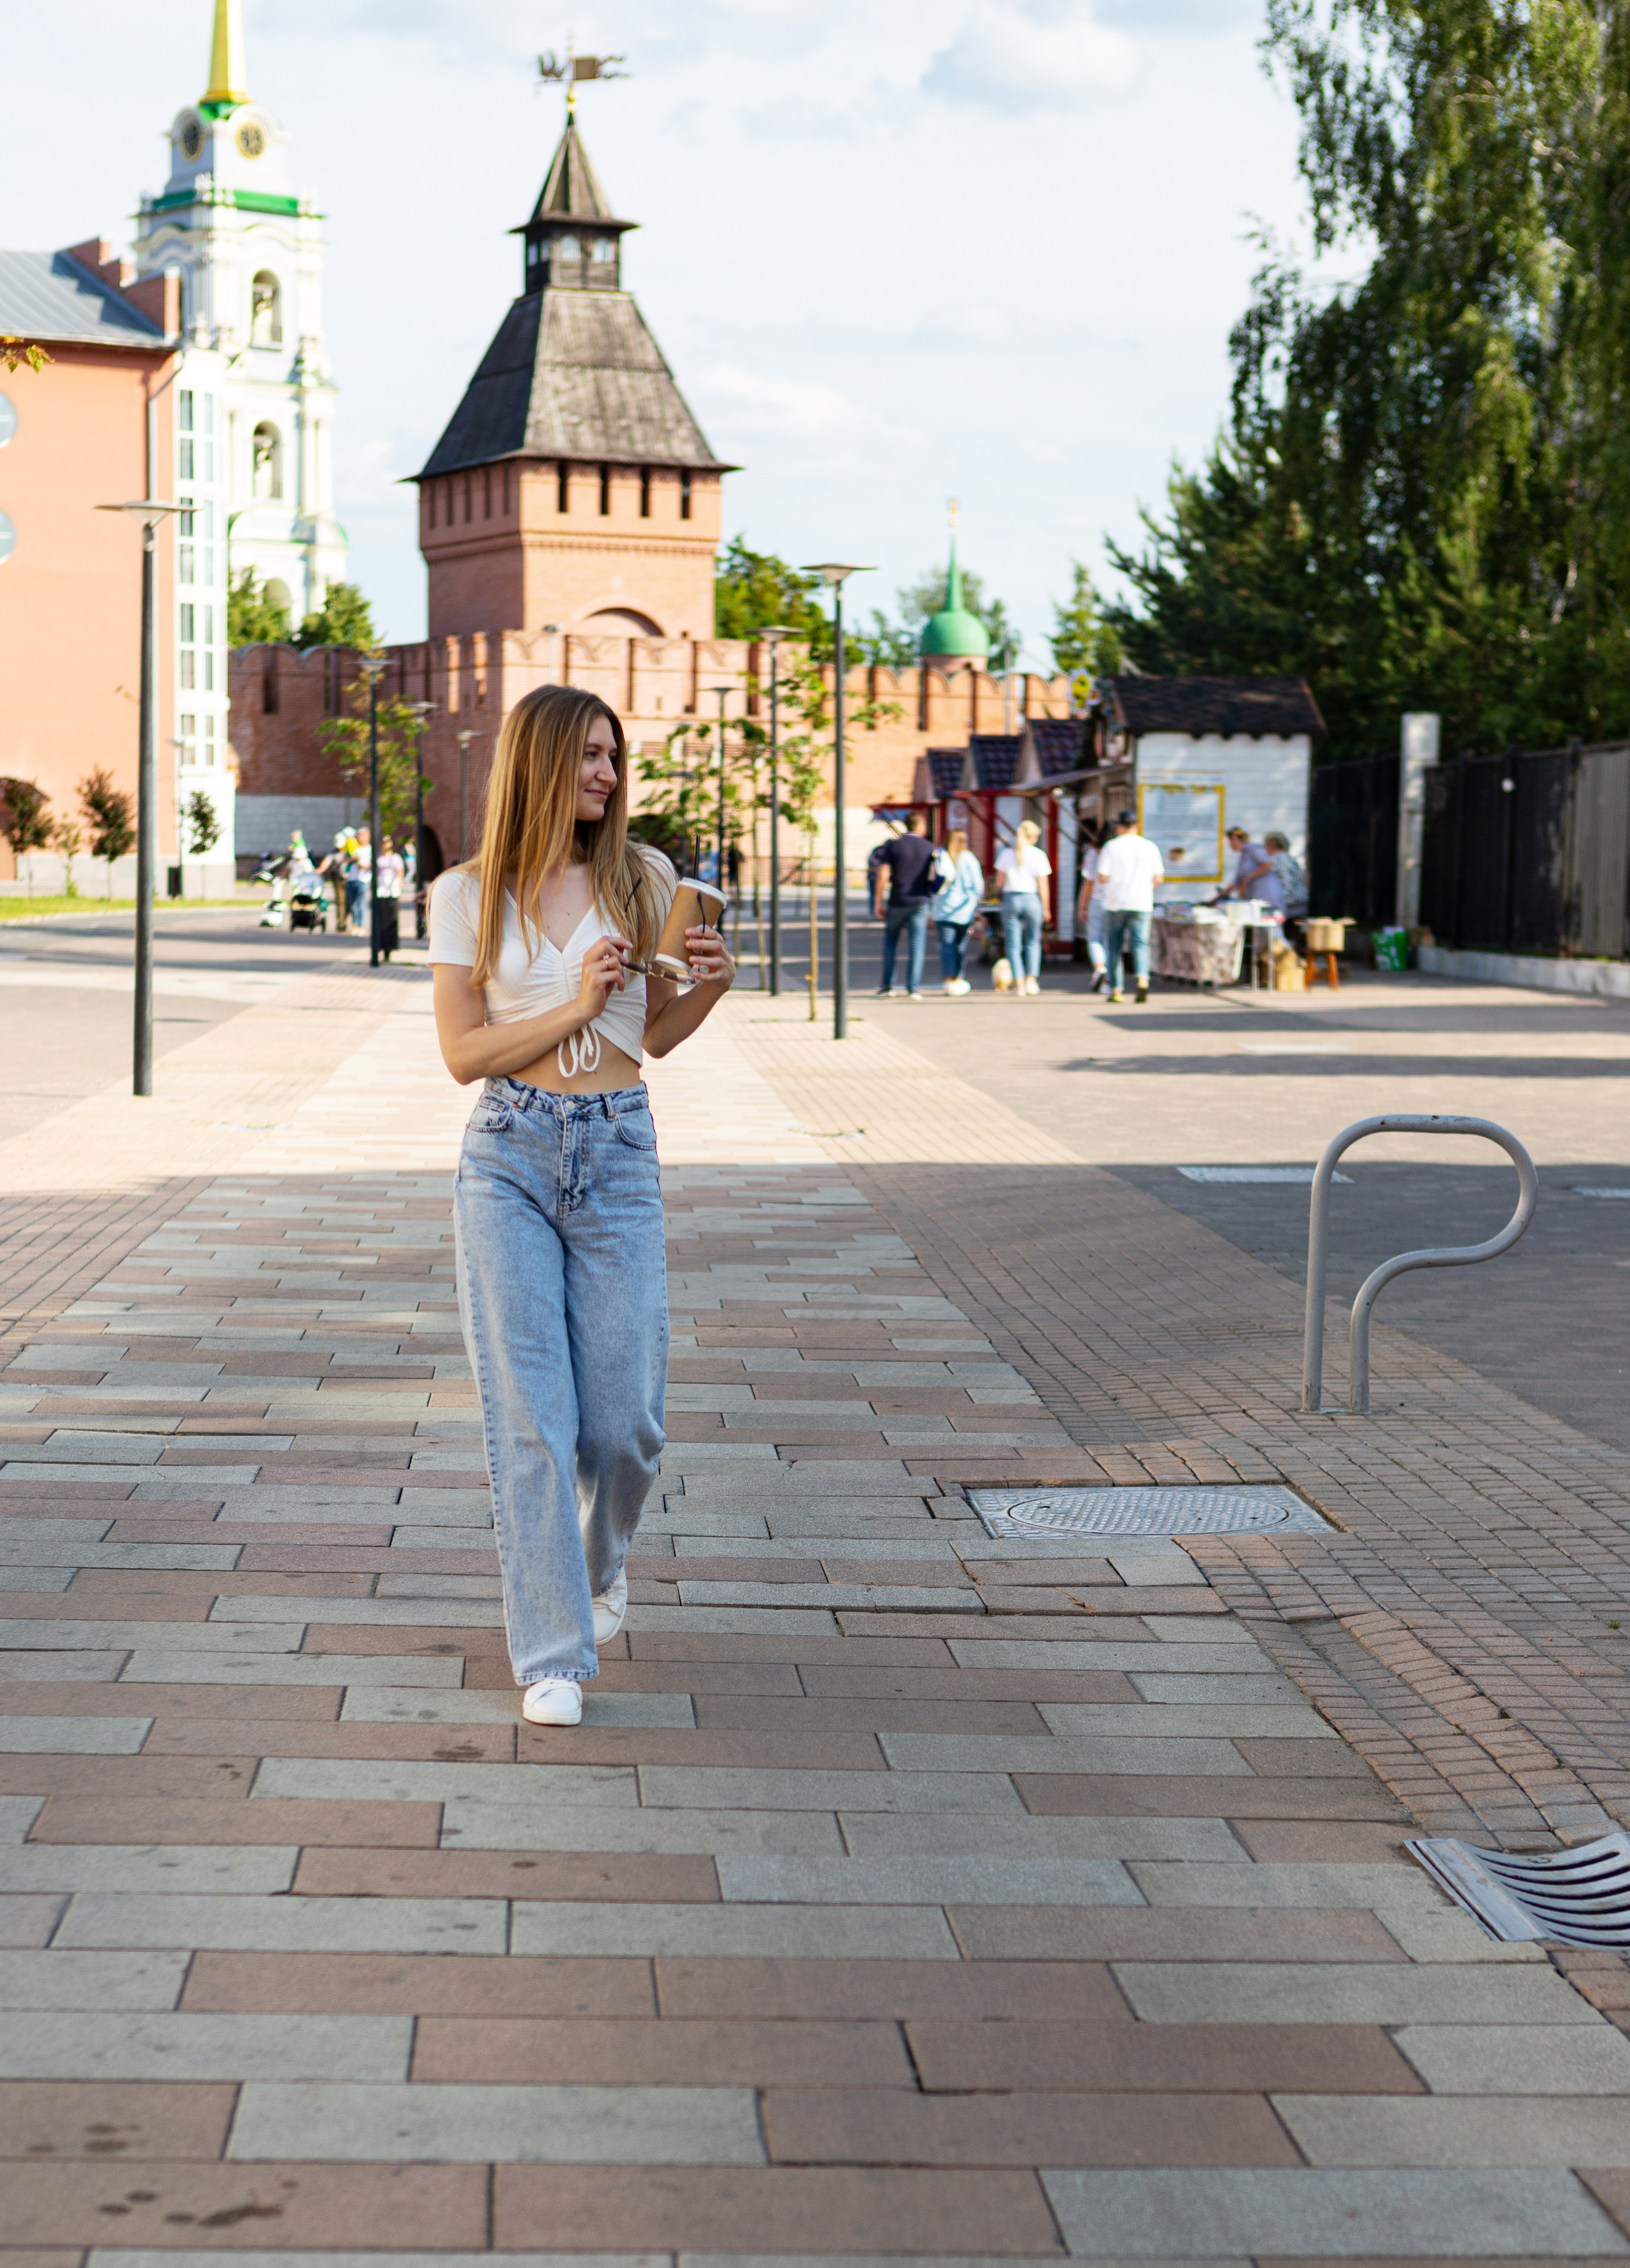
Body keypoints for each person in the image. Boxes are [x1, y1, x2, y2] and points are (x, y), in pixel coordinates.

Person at [429, 684, 734, 1729]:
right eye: (590, 756)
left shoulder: (644, 880)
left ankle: (598, 1570)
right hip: (508, 1153)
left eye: (615, 755)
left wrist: (710, 989)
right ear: (540, 763)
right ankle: (552, 1655)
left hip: (615, 1148)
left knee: (626, 1427)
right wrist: (568, 1003)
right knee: (533, 1424)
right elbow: (463, 1056)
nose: (608, 773)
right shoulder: (466, 896)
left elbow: (653, 1038)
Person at [1095, 808, 1165, 1003]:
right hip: (1142, 903)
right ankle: (1142, 979)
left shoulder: (1111, 846)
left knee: (1114, 946)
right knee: (1140, 944)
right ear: (1137, 825)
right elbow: (1158, 877)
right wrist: (1145, 888)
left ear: (1119, 826)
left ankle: (1116, 989)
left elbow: (1102, 876)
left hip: (1116, 903)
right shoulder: (1150, 847)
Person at [872, 811, 938, 999]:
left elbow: (883, 874)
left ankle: (887, 986)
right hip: (920, 901)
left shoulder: (894, 846)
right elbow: (936, 874)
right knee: (917, 944)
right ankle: (913, 988)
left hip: (898, 900)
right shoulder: (929, 847)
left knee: (891, 942)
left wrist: (878, 902)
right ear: (919, 826)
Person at [996, 818, 1052, 995]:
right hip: (1032, 899)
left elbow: (999, 881)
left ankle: (1018, 983)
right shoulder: (1039, 855)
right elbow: (1043, 885)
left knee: (1013, 945)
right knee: (1033, 942)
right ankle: (1031, 981)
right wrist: (1046, 908)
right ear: (1033, 836)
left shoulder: (1006, 854)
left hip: (1012, 899)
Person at [932, 828, 984, 994]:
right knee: (961, 946)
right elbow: (979, 886)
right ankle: (958, 978)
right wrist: (977, 905)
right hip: (964, 910)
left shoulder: (940, 856)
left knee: (947, 946)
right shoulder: (969, 859)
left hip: (943, 909)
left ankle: (948, 979)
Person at [1075, 824, 1109, 993]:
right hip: (1116, 901)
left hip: (1097, 900)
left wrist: (1083, 906)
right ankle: (1109, 983)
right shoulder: (1118, 852)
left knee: (1094, 939)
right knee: (1111, 942)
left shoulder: (1094, 853)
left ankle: (1100, 967)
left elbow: (1088, 882)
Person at [376, 834, 406, 960]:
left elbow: (400, 872)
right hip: (381, 889)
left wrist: (398, 883)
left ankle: (390, 947)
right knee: (381, 918)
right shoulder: (379, 858)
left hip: (392, 889)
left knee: (391, 918)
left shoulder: (396, 858)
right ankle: (381, 947)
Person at [346, 829, 371, 935]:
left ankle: (361, 925)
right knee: (353, 904)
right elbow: (346, 860)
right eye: (357, 836)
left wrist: (364, 865)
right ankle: (355, 925)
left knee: (361, 903)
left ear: (367, 837)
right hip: (352, 879)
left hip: (363, 879)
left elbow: (373, 864)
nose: (358, 838)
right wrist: (353, 858)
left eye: (360, 836)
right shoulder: (355, 848)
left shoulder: (370, 850)